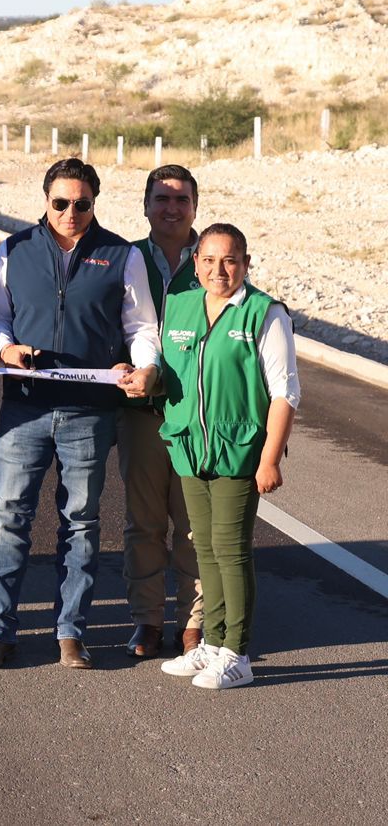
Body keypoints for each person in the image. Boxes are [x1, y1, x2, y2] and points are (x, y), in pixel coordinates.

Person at [0, 157, 161, 670]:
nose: (71, 212)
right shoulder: (13, 250)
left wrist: (144, 368)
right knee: (8, 518)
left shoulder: (121, 255)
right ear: (45, 200)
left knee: (80, 523)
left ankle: (70, 633)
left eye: (81, 203)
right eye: (60, 203)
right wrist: (6, 349)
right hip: (24, 409)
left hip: (90, 412)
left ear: (94, 203)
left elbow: (142, 327)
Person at [153, 224, 298, 690]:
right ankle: (211, 644)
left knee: (232, 551)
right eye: (210, 260)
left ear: (246, 263)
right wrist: (141, 377)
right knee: (205, 547)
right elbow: (167, 372)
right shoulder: (179, 306)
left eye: (231, 260)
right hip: (191, 448)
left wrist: (270, 459)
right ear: (195, 262)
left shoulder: (264, 313)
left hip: (239, 453)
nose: (220, 270)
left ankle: (238, 652)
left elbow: (285, 393)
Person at [119, 165, 205, 659]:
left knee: (193, 526)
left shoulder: (215, 257)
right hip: (142, 413)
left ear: (195, 204)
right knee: (144, 524)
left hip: (195, 416)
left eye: (181, 199)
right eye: (161, 198)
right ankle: (146, 622)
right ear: (145, 204)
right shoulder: (128, 257)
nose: (171, 208)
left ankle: (192, 624)